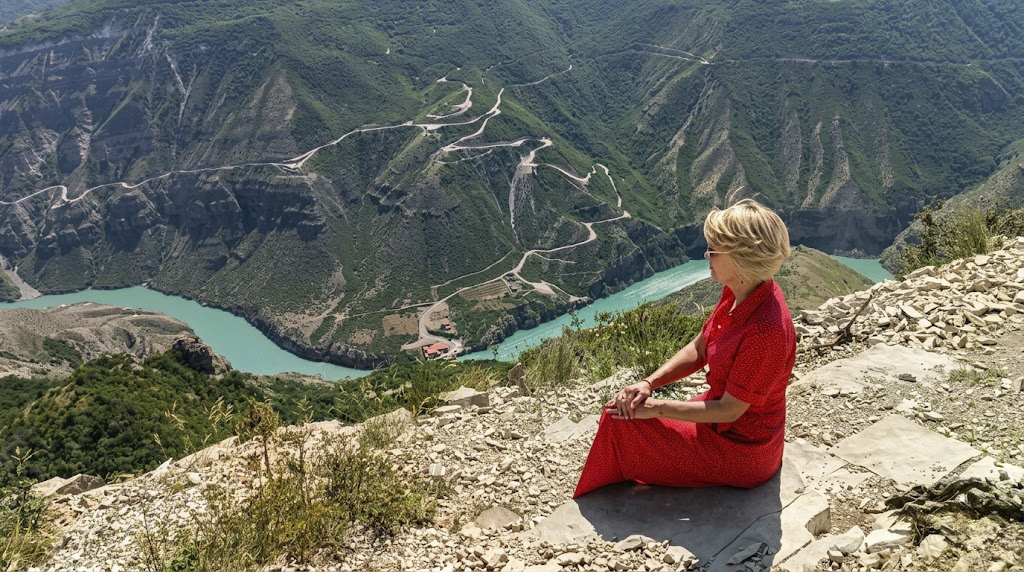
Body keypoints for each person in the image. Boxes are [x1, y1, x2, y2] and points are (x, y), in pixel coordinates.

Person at [573, 198, 795, 498]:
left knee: (620, 422)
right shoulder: (741, 290)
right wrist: (648, 383)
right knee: (624, 414)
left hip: (742, 450)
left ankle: (604, 501)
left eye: (715, 250)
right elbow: (702, 346)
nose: (707, 254)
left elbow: (730, 410)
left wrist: (658, 408)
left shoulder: (765, 330)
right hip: (726, 429)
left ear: (742, 259)